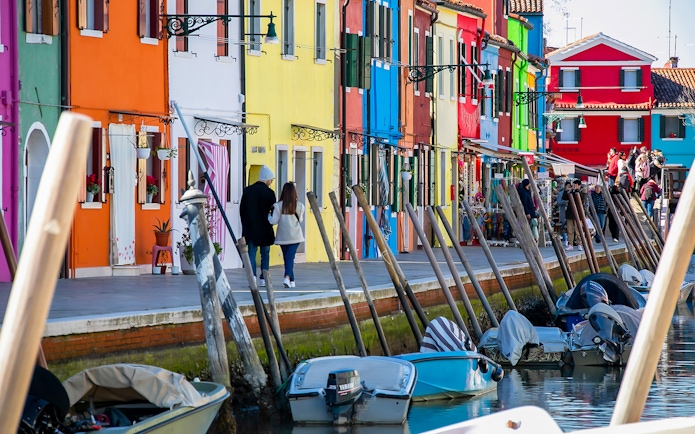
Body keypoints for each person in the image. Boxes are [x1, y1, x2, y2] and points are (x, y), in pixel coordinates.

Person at [240, 165, 276, 287]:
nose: (271, 182)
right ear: (267, 179)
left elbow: (242, 210)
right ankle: (264, 277)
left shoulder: (247, 191)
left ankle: (253, 276)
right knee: (265, 253)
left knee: (251, 252)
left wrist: (244, 224)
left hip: (250, 227)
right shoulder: (270, 193)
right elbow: (273, 211)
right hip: (265, 228)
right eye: (271, 180)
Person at [268, 182, 305, 288]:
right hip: (295, 236)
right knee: (289, 257)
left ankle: (287, 277)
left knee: (287, 257)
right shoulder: (300, 206)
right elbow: (300, 220)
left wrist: (268, 216)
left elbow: (273, 221)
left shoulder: (278, 206)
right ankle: (291, 280)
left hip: (283, 236)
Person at [563, 179, 584, 251]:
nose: (574, 186)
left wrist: (576, 191)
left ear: (579, 186)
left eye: (576, 185)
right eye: (573, 185)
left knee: (578, 230)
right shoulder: (570, 192)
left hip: (578, 214)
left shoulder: (581, 192)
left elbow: (581, 199)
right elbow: (564, 197)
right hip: (570, 213)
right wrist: (566, 190)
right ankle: (570, 244)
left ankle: (579, 244)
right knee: (570, 230)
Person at [556, 181, 571, 246]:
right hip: (563, 211)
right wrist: (565, 202)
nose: (568, 188)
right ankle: (565, 240)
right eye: (568, 186)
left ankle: (570, 240)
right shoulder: (561, 193)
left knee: (570, 226)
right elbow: (558, 202)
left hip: (570, 212)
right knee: (563, 225)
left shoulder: (571, 193)